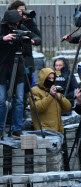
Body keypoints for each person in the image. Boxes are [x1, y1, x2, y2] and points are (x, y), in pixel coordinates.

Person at [0, 10, 39, 138]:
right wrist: (3, 38)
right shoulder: (1, 28)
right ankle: (1, 128)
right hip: (3, 68)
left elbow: (37, 37)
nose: (14, 26)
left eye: (16, 23)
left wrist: (30, 40)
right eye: (12, 24)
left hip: (19, 68)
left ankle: (16, 128)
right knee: (1, 100)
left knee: (19, 100)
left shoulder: (21, 27)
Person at [7, 1, 40, 91]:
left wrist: (29, 21)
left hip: (27, 58)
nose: (23, 12)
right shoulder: (9, 23)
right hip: (12, 60)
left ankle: (25, 103)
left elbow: (38, 37)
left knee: (27, 85)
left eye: (24, 10)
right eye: (20, 10)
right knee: (12, 85)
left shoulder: (27, 22)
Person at [29, 68, 72, 133]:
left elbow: (68, 107)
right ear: (43, 78)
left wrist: (60, 98)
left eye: (53, 78)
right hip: (45, 131)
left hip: (58, 130)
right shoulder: (34, 91)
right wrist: (50, 96)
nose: (51, 80)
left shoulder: (54, 89)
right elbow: (38, 108)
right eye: (49, 78)